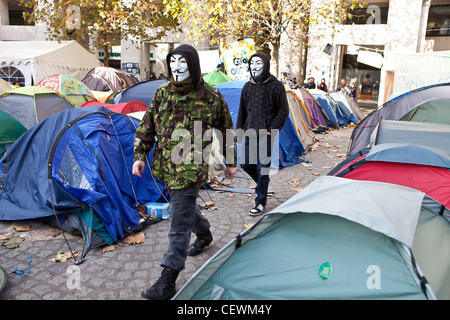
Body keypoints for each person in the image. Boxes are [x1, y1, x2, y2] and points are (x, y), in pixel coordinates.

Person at [132, 44, 236, 300]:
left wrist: (231, 161)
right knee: (185, 210)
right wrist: (139, 155)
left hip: (191, 171)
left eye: (182, 61)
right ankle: (204, 232)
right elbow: (147, 125)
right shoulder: (162, 93)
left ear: (193, 64)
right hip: (166, 167)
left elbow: (226, 130)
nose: (177, 67)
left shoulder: (211, 96)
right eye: (173, 61)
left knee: (178, 225)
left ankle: (167, 280)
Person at [236, 52, 289, 216]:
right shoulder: (247, 86)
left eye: (258, 63)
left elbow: (283, 110)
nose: (254, 67)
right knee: (245, 164)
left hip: (265, 134)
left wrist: (271, 129)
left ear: (265, 64)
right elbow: (242, 111)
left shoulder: (276, 85)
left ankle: (260, 201)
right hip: (249, 133)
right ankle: (262, 184)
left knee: (262, 169)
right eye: (252, 64)